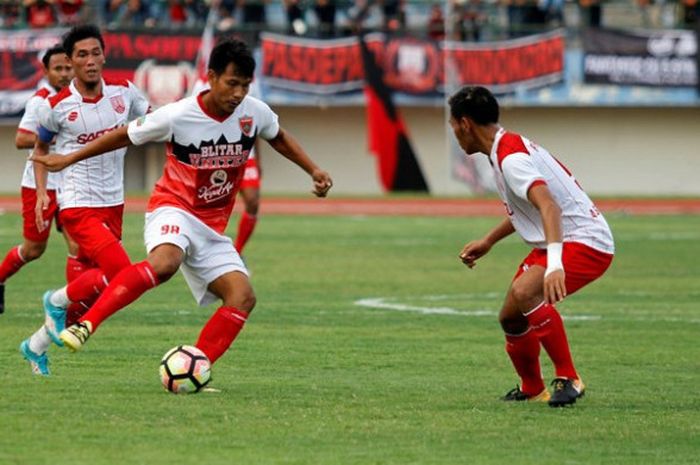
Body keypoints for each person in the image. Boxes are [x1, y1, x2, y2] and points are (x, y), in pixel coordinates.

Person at [34, 39, 333, 376]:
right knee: (164, 263)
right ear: (212, 76)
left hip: (211, 226)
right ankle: (86, 324)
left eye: (245, 86)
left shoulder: (254, 112)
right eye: (232, 83)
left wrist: (313, 170)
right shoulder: (179, 114)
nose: (238, 93)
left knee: (242, 296)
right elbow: (124, 135)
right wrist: (70, 157)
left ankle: (194, 367)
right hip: (172, 207)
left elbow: (277, 136)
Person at [448, 86, 614, 407]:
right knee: (511, 317)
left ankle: (570, 378)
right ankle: (532, 388)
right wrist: (488, 241)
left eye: (453, 126)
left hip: (585, 239)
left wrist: (554, 265)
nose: (454, 133)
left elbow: (549, 207)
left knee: (526, 292)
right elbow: (530, 208)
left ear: (465, 124)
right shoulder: (503, 150)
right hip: (561, 237)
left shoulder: (510, 159)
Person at [22, 24, 150, 375]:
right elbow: (41, 147)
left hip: (114, 202)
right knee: (124, 274)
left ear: (104, 56)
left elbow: (152, 121)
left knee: (97, 290)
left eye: (95, 53)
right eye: (82, 55)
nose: (90, 61)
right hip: (77, 203)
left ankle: (35, 346)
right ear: (71, 61)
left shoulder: (125, 94)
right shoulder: (57, 106)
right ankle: (56, 299)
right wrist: (40, 197)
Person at [1, 46, 76, 318]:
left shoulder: (78, 97)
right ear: (46, 71)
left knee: (78, 247)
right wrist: (52, 137)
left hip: (71, 183)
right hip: (39, 185)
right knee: (34, 249)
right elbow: (21, 139)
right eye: (58, 69)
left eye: (68, 68)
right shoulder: (40, 101)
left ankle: (71, 309)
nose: (65, 74)